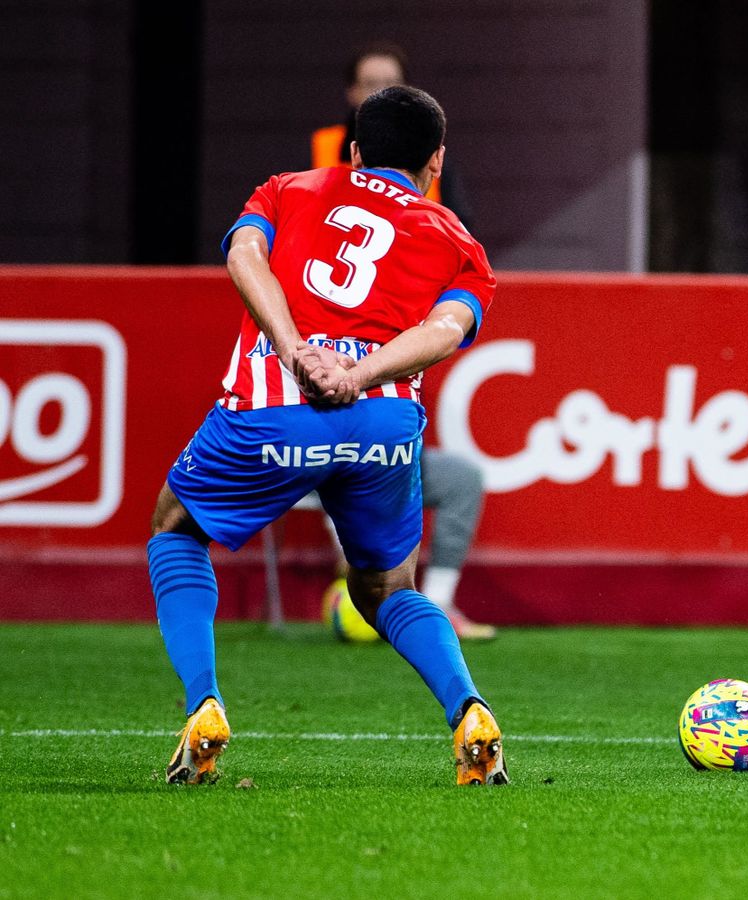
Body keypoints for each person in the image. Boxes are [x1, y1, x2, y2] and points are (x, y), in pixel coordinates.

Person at [148, 85, 507, 786]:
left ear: (353, 151)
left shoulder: (289, 189)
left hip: (273, 412)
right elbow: (444, 333)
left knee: (175, 527)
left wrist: (295, 351)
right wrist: (359, 373)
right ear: (436, 160)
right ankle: (468, 710)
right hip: (380, 425)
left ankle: (204, 707)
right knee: (387, 586)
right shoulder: (459, 241)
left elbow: (244, 256)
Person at [319, 448, 497, 640]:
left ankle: (438, 606)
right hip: (315, 464)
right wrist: (346, 544)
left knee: (461, 478)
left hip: (394, 463)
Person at [312, 42, 476, 231]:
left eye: (391, 83)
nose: (381, 93)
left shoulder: (428, 150)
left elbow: (461, 229)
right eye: (370, 84)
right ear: (352, 91)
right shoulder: (322, 146)